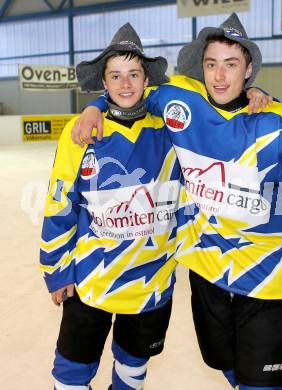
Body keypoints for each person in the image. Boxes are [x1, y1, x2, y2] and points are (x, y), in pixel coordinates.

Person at [72, 13, 282, 390]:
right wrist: (95, 105)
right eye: (211, 65)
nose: (220, 76)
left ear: (249, 70)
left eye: (231, 65)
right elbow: (129, 89)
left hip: (268, 279)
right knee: (226, 365)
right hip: (206, 271)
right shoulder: (181, 102)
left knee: (262, 381)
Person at [40, 23, 181, 390]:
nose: (125, 84)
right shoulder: (81, 132)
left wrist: (255, 91)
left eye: (134, 74)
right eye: (115, 76)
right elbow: (59, 204)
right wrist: (56, 269)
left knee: (134, 366)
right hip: (91, 280)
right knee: (71, 372)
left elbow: (212, 92)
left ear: (146, 78)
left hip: (152, 280)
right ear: (104, 83)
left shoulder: (171, 128)